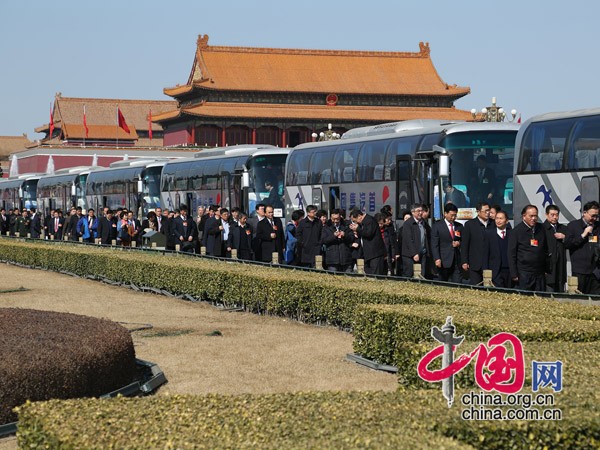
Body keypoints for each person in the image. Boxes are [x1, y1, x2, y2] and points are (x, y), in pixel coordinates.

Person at [508, 205, 549, 291]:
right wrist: (514, 274)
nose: (533, 218)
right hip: (524, 272)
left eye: (535, 216)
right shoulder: (516, 232)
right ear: (524, 216)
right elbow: (511, 254)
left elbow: (545, 249)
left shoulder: (541, 229)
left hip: (539, 272)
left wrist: (547, 268)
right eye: (531, 216)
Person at [565, 201, 600, 294]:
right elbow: (568, 244)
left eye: (596, 216)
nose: (594, 218)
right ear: (584, 213)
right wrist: (583, 235)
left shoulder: (597, 226)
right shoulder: (573, 226)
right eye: (592, 216)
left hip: (595, 271)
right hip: (579, 271)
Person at [461, 202, 493, 285]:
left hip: (491, 263)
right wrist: (464, 261)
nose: (487, 213)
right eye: (485, 211)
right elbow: (465, 244)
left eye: (488, 210)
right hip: (475, 263)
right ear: (478, 212)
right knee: (476, 287)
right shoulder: (470, 224)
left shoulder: (493, 224)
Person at [431, 203, 463, 283]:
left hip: (456, 260)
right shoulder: (437, 226)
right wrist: (437, 258)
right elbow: (434, 244)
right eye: (452, 215)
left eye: (455, 215)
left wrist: (459, 243)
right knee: (443, 283)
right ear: (445, 214)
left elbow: (463, 240)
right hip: (443, 260)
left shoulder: (459, 226)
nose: (454, 217)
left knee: (457, 283)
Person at [349, 209, 386, 275]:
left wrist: (357, 229)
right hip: (368, 254)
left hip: (375, 254)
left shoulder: (369, 220)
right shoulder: (363, 223)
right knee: (369, 274)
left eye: (355, 221)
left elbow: (368, 233)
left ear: (359, 216)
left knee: (376, 275)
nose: (356, 223)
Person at [483, 210, 512, 288]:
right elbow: (486, 254)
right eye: (497, 218)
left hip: (509, 270)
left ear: (507, 221)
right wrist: (486, 272)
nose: (498, 221)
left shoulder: (512, 234)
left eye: (501, 218)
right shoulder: (489, 234)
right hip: (495, 271)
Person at [401, 204, 431, 278]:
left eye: (421, 211)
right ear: (413, 212)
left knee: (423, 274)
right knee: (408, 274)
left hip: (422, 252)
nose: (420, 213)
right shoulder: (408, 223)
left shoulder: (424, 222)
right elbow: (408, 240)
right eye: (418, 211)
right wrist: (414, 253)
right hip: (409, 254)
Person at [543, 205, 568, 293]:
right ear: (546, 215)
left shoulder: (563, 228)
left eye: (556, 215)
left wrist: (564, 237)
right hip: (548, 268)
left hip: (561, 267)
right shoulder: (542, 229)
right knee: (549, 291)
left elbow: (572, 242)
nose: (555, 217)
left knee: (561, 291)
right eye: (552, 215)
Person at [321, 209, 353, 273]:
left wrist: (345, 235)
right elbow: (323, 240)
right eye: (333, 219)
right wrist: (333, 236)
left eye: (337, 219)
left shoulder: (346, 225)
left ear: (340, 217)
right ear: (330, 217)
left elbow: (351, 238)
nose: (335, 221)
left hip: (346, 258)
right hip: (332, 259)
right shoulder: (326, 226)